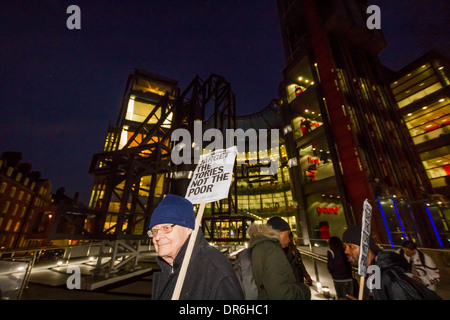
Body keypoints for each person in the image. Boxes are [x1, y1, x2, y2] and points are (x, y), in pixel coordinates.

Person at [149, 194, 244, 300]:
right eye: (155, 231)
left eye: (166, 228)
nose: (157, 237)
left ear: (189, 229)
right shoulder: (170, 267)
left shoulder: (216, 272)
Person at [342, 225, 441, 300]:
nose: (346, 251)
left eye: (350, 246)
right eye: (345, 247)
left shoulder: (391, 278)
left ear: (366, 248)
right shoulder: (372, 272)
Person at [247, 220, 311, 300]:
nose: (288, 240)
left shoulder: (261, 246)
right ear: (280, 233)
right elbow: (281, 295)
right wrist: (304, 290)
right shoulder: (272, 250)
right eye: (287, 234)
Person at [267, 216, 312, 286]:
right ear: (279, 234)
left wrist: (305, 274)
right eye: (287, 235)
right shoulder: (274, 254)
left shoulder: (293, 248)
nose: (289, 240)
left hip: (297, 281)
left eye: (290, 237)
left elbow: (299, 262)